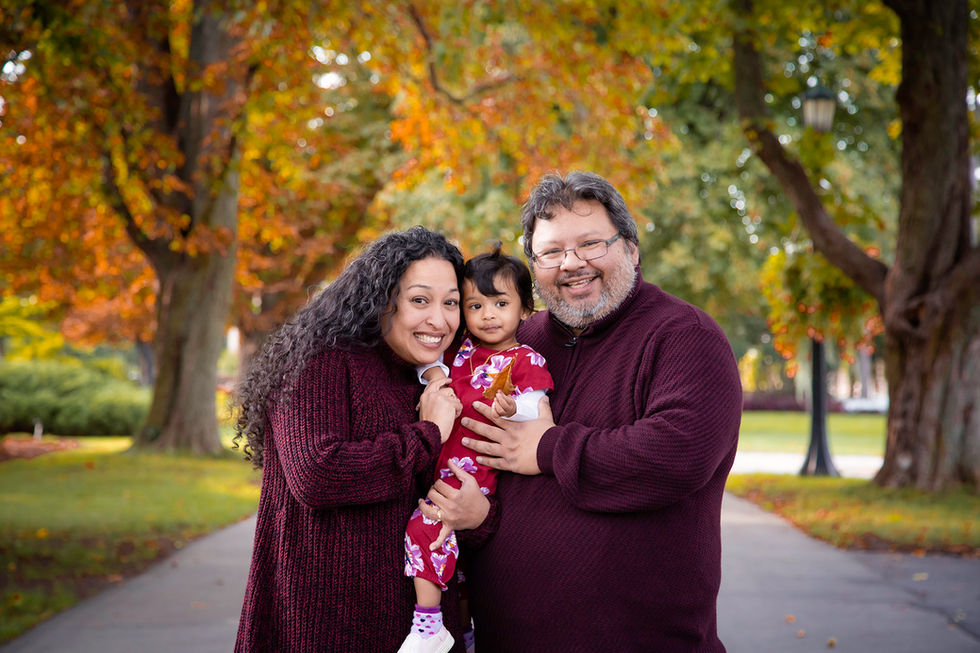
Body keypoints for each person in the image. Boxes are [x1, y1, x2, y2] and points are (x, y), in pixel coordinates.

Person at [419, 172, 743, 651]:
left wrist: (550, 448)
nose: (571, 264)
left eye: (591, 244)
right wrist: (479, 516)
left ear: (631, 249)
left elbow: (680, 452)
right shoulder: (515, 343)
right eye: (550, 252)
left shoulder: (683, 335)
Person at [232, 226, 484, 652]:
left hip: (418, 630)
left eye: (451, 303)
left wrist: (475, 512)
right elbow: (317, 473)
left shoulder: (431, 378)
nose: (439, 321)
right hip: (325, 625)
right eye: (419, 300)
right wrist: (430, 434)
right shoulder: (319, 360)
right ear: (381, 298)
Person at [398, 244, 554, 653]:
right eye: (475, 304)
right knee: (460, 569)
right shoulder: (459, 352)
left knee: (426, 529)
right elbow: (426, 363)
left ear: (524, 310)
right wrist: (435, 377)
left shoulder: (525, 361)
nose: (487, 314)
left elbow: (542, 417)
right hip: (443, 468)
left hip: (477, 476)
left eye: (500, 303)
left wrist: (513, 408)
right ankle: (464, 635)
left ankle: (428, 626)